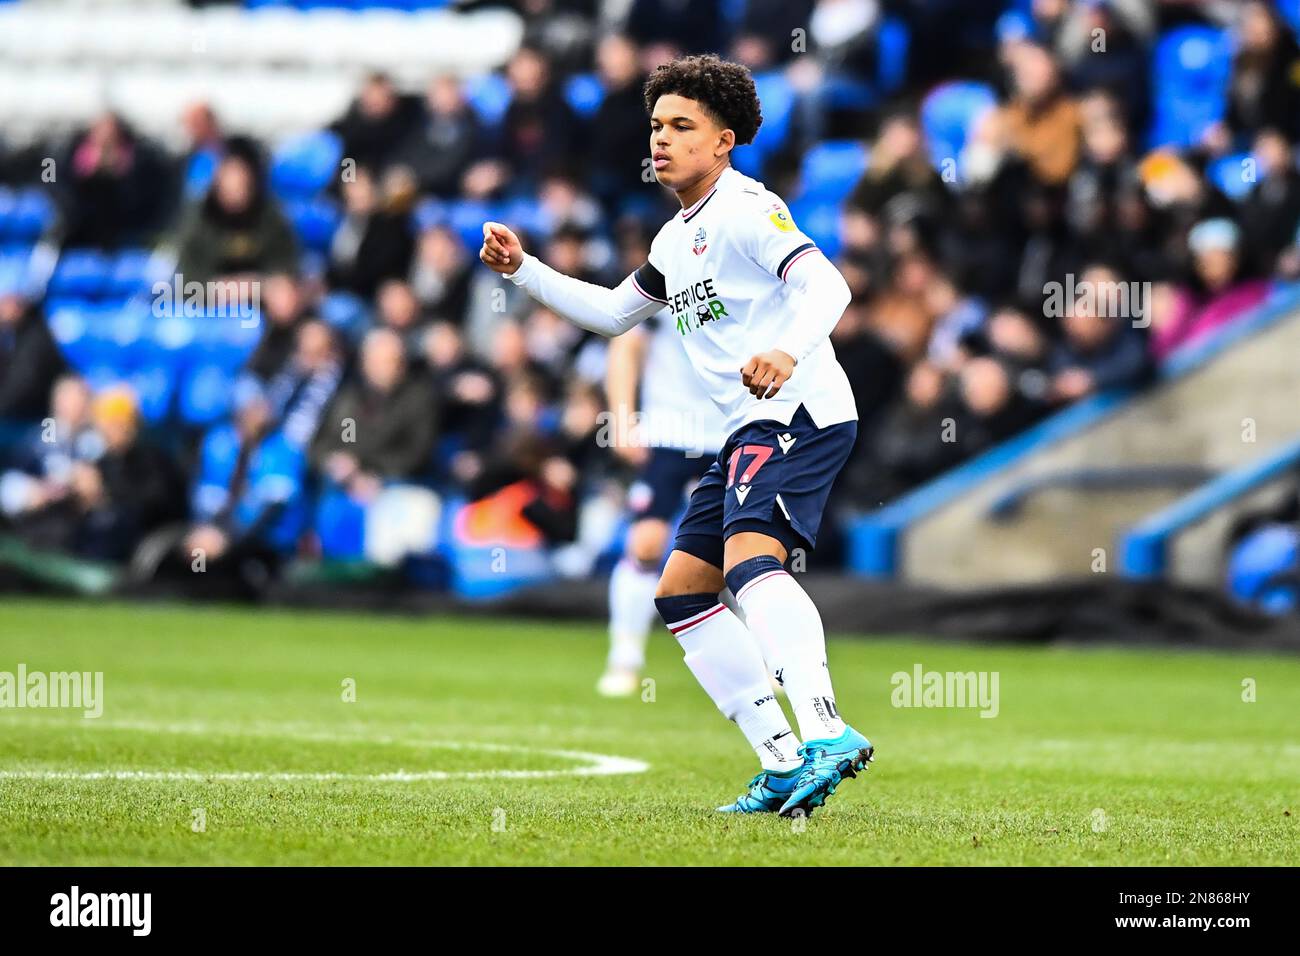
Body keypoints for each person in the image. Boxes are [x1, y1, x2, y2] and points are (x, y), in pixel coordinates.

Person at [479, 54, 873, 816]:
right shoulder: (675, 238)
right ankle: (785, 762)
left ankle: (825, 728)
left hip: (800, 411)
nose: (661, 139)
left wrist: (787, 352)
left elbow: (830, 284)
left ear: (724, 141)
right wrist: (524, 268)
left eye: (682, 126)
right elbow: (612, 315)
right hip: (743, 428)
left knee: (752, 563)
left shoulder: (747, 209)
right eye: (656, 125)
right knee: (683, 593)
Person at [597, 307, 729, 697]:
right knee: (646, 543)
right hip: (669, 433)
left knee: (742, 550)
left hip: (730, 432)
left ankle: (766, 663)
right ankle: (624, 660)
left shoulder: (748, 274)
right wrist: (621, 419)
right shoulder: (668, 273)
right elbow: (626, 342)